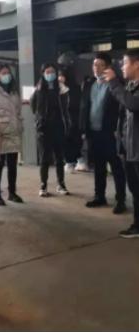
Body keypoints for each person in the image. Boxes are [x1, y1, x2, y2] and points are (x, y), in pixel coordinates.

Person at [80, 52, 127, 213]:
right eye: (95, 64)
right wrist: (84, 130)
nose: (97, 68)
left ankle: (120, 200)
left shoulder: (115, 84)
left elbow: (122, 109)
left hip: (110, 133)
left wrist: (119, 131)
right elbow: (84, 107)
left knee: (116, 168)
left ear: (108, 67)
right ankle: (99, 196)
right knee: (99, 167)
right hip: (94, 133)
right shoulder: (90, 84)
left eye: (100, 65)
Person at [105, 49, 139, 237]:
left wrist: (114, 83)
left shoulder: (128, 89)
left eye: (125, 63)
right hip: (130, 148)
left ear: (136, 64)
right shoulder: (130, 86)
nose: (122, 67)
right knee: (135, 188)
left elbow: (133, 104)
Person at [0, 64, 24, 205]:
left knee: (12, 165)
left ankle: (12, 192)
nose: (7, 75)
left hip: (13, 133)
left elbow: (18, 110)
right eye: (3, 73)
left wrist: (19, 124)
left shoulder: (13, 91)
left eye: (8, 73)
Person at [30, 63, 71, 197]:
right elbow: (33, 106)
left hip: (58, 127)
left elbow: (66, 107)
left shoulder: (61, 89)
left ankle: (61, 184)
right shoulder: (38, 89)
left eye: (52, 72)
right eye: (47, 72)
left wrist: (67, 124)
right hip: (43, 128)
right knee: (44, 159)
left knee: (59, 158)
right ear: (43, 74)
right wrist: (39, 119)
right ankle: (43, 185)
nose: (50, 74)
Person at [58, 68, 83, 174]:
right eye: (59, 75)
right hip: (64, 120)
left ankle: (72, 161)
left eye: (62, 75)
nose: (60, 78)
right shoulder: (57, 88)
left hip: (73, 119)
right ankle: (72, 161)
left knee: (73, 141)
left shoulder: (74, 89)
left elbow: (76, 104)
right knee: (68, 142)